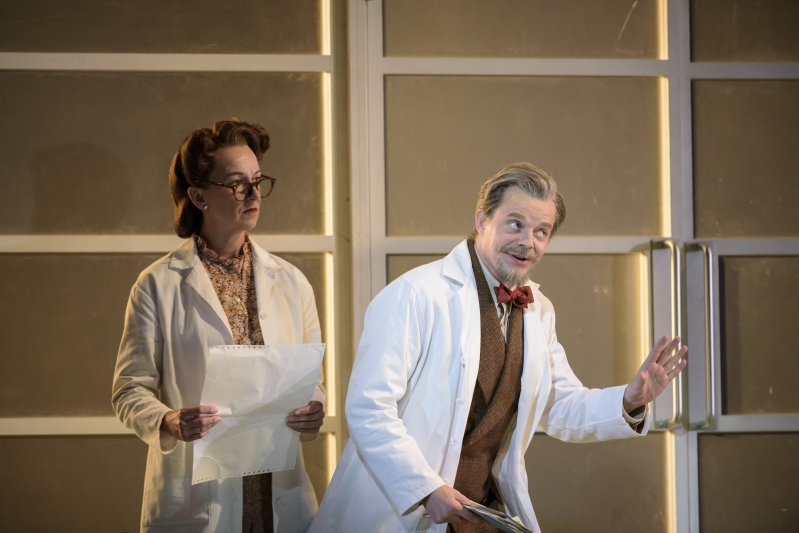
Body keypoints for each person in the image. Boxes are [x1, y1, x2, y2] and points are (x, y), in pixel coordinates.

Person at [309, 163, 688, 533]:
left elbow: (559, 407)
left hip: (483, 511)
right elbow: (368, 409)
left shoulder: (539, 310)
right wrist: (424, 488)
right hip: (398, 511)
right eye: (516, 224)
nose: (528, 242)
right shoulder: (415, 294)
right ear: (482, 221)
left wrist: (630, 399)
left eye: (542, 232)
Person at [112, 119, 326, 533]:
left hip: (275, 491)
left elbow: (311, 378)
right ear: (198, 195)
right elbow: (129, 389)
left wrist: (313, 409)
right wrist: (169, 420)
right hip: (197, 495)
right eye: (236, 183)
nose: (253, 194)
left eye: (257, 180)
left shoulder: (292, 281)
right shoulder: (158, 284)